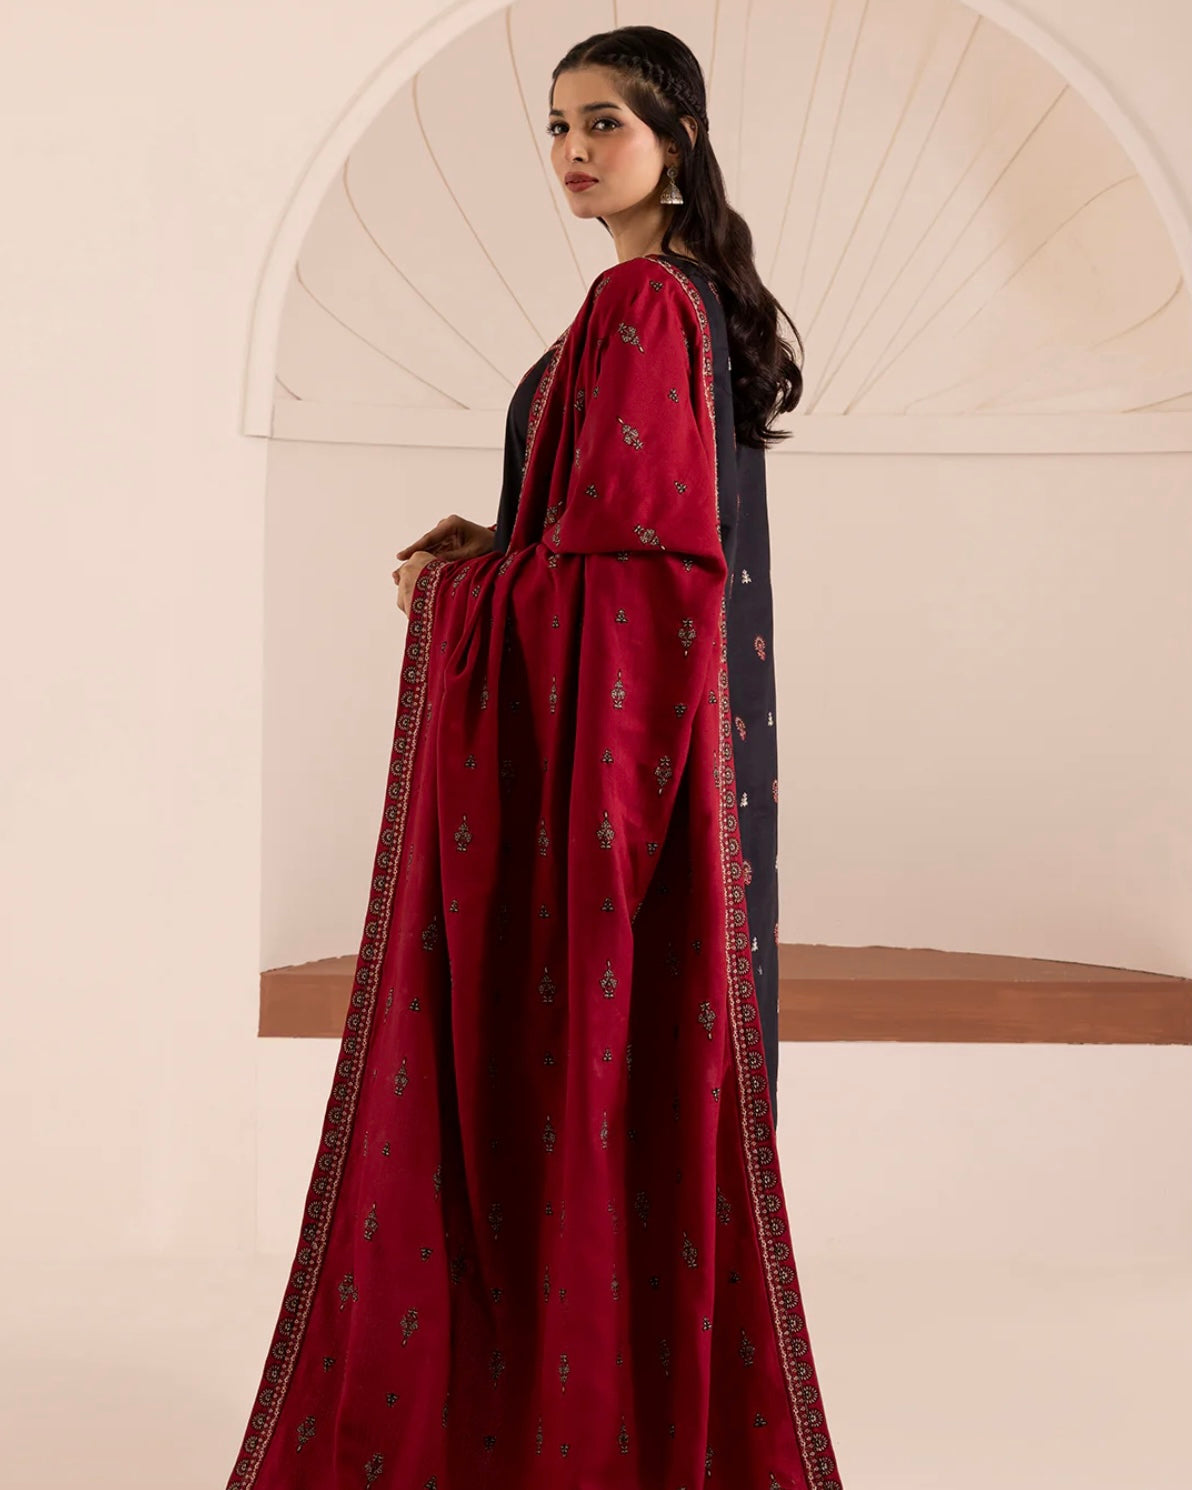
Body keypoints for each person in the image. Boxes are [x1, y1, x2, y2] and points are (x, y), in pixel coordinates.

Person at [226, 25, 845, 1490]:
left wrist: (458, 596)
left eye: (605, 122)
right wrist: (498, 543)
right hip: (664, 787)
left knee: (557, 1099)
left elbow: (639, 592)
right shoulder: (682, 302)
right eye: (557, 125)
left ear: (677, 139)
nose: (573, 150)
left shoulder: (640, 302)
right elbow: (608, 537)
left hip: (610, 795)